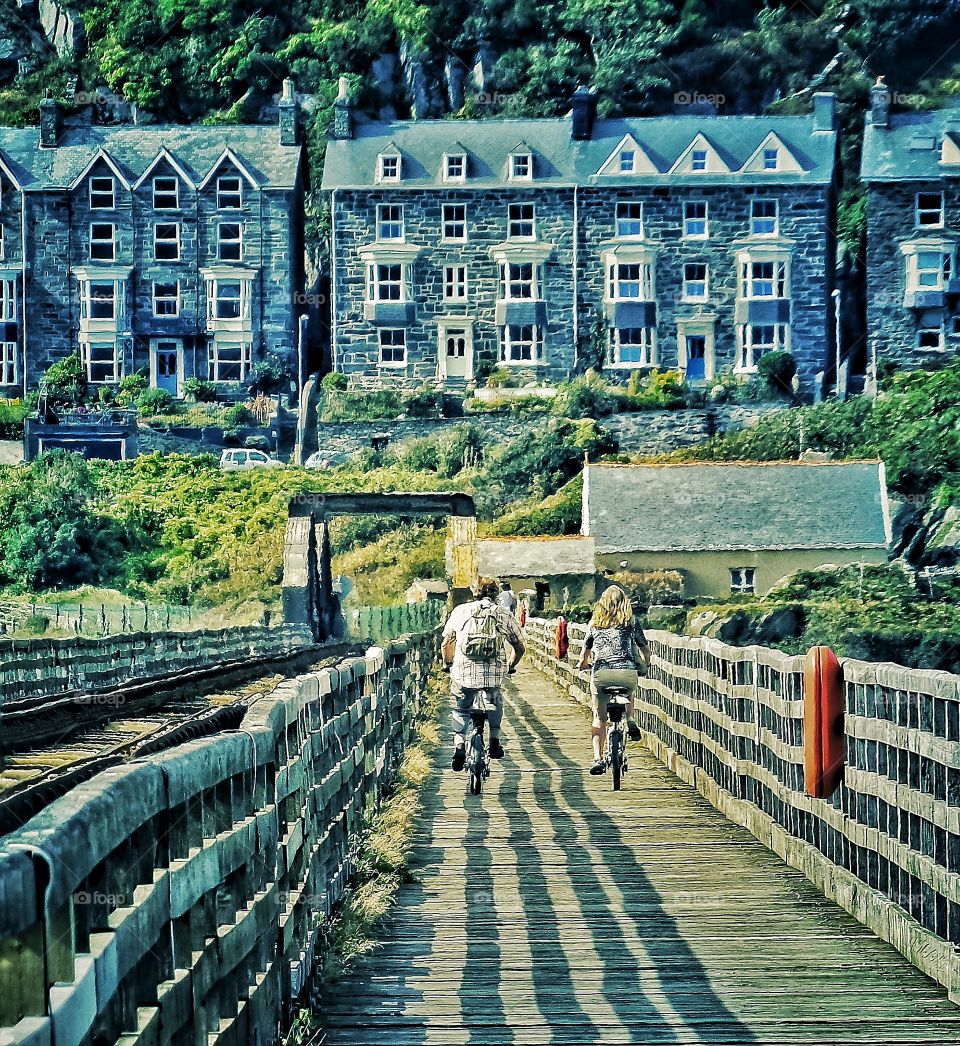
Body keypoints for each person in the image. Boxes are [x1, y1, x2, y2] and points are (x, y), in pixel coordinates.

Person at [442, 577, 526, 771]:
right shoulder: (502, 613)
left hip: (463, 672)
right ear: (496, 593)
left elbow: (446, 643)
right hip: (493, 673)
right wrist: (510, 665)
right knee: (494, 699)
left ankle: (459, 744)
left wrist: (448, 664)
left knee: (462, 708)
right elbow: (520, 646)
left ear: (475, 591)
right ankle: (494, 740)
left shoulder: (460, 611)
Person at [577, 585, 651, 776]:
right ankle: (630, 718)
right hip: (626, 673)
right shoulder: (631, 621)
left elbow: (585, 650)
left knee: (599, 719)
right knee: (629, 688)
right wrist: (647, 663)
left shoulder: (595, 622)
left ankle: (598, 759)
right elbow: (645, 648)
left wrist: (583, 663)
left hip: (602, 673)